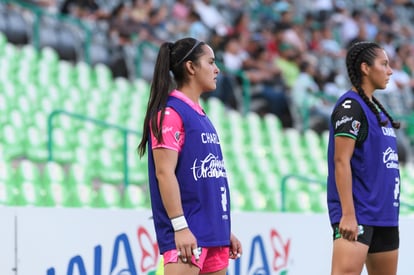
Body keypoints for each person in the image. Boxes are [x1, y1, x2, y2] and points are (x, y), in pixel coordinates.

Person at [137, 37, 242, 275]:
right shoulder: (171, 113)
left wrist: (223, 230)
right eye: (211, 62)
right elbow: (164, 174)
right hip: (187, 235)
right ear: (191, 67)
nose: (216, 69)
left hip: (213, 235)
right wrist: (180, 226)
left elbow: (206, 181)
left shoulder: (201, 115)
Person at [327, 41, 401, 275]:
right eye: (384, 64)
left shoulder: (376, 110)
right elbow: (341, 161)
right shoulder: (351, 107)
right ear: (365, 68)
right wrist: (348, 214)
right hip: (358, 215)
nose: (390, 70)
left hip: (386, 216)